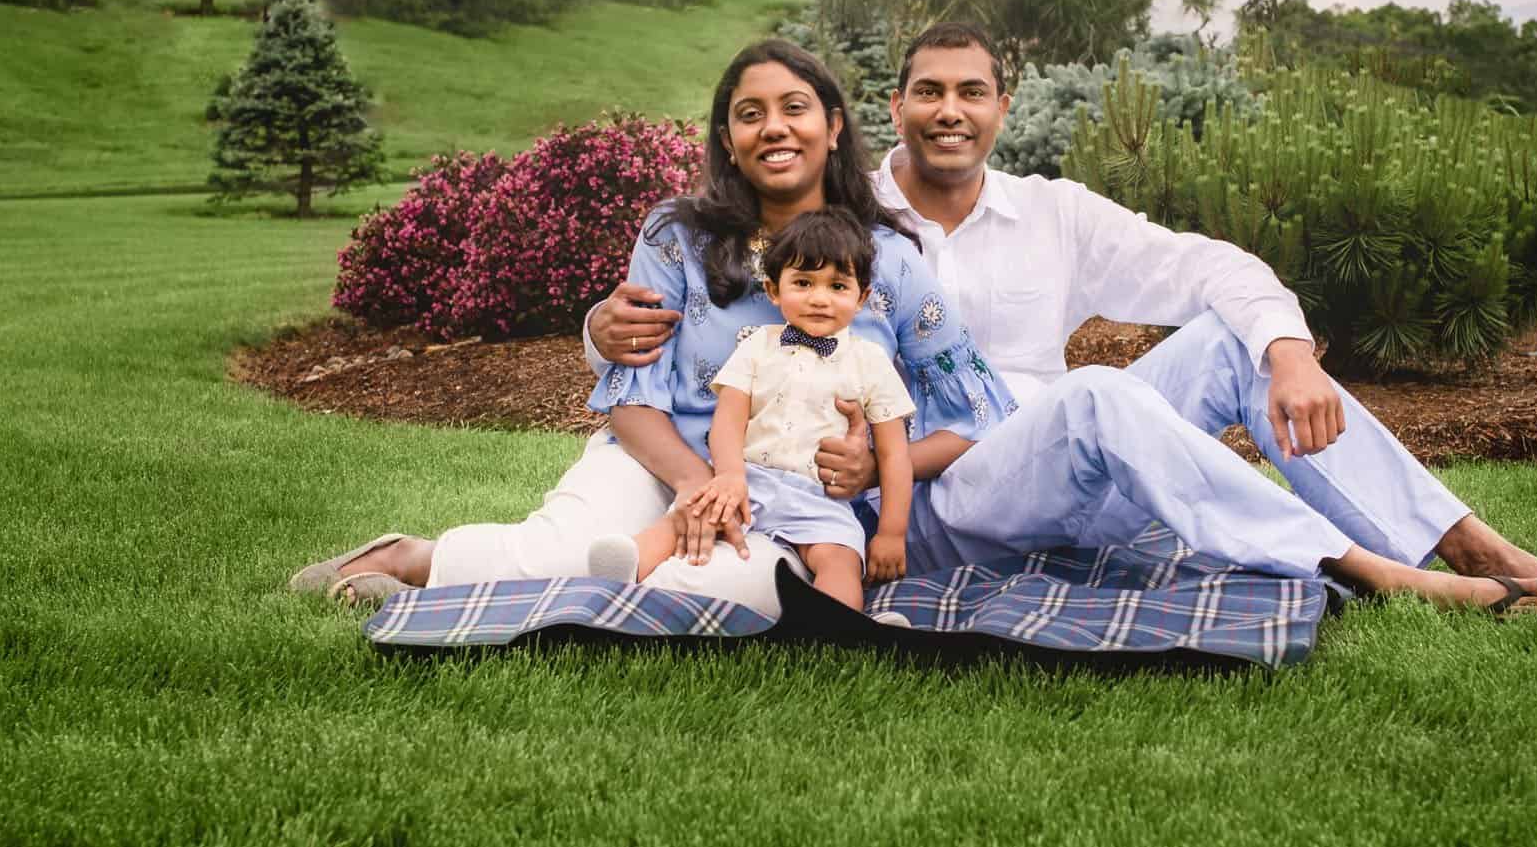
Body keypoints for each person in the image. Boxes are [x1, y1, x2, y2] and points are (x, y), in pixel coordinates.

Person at [584, 35, 1537, 615]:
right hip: (952, 488)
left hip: (1063, 451)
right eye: (927, 91)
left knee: (1228, 343)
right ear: (888, 110)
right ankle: (1356, 571)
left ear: (1003, 107)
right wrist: (600, 329)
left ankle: (1458, 540)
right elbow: (712, 338)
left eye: (972, 91)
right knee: (1095, 393)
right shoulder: (844, 226)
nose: (949, 111)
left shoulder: (1050, 211)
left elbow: (1204, 269)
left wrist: (1290, 350)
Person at [290, 38, 1012, 613]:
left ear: (832, 125)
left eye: (795, 106)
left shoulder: (888, 260)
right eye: (749, 112)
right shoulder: (677, 237)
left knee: (716, 590)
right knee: (570, 550)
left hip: (794, 501)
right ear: (728, 139)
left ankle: (521, 593)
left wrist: (880, 467)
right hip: (657, 461)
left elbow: (978, 413)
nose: (774, 127)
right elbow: (632, 394)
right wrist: (705, 483)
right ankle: (409, 559)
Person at [584, 208, 916, 620]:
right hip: (751, 480)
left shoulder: (870, 362)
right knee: (694, 512)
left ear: (861, 296)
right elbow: (728, 421)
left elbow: (893, 453)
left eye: (837, 285)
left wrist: (891, 532)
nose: (819, 297)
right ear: (774, 291)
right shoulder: (757, 346)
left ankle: (841, 625)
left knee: (839, 559)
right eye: (803, 283)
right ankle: (628, 563)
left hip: (819, 499)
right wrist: (729, 476)